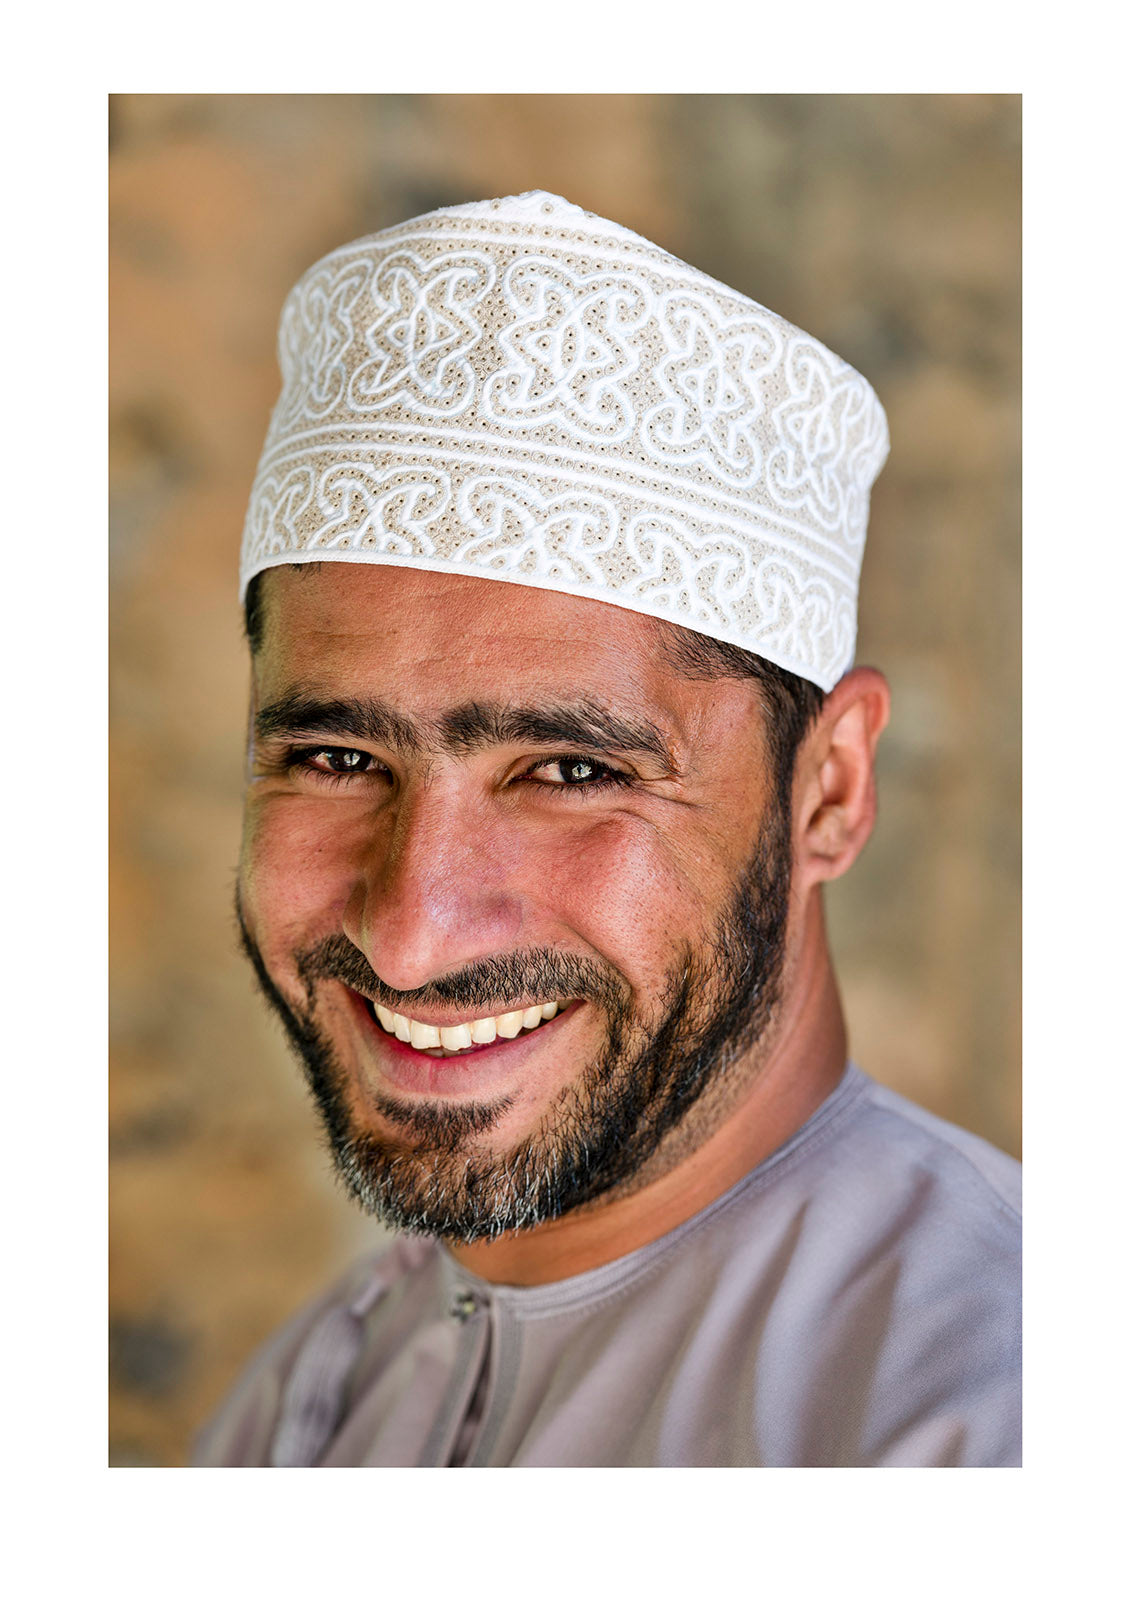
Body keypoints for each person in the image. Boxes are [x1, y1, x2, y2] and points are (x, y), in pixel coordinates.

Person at [194, 191, 1020, 1468]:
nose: (410, 932)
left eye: (571, 769)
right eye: (337, 757)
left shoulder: (993, 1412)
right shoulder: (326, 1381)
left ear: (831, 789)